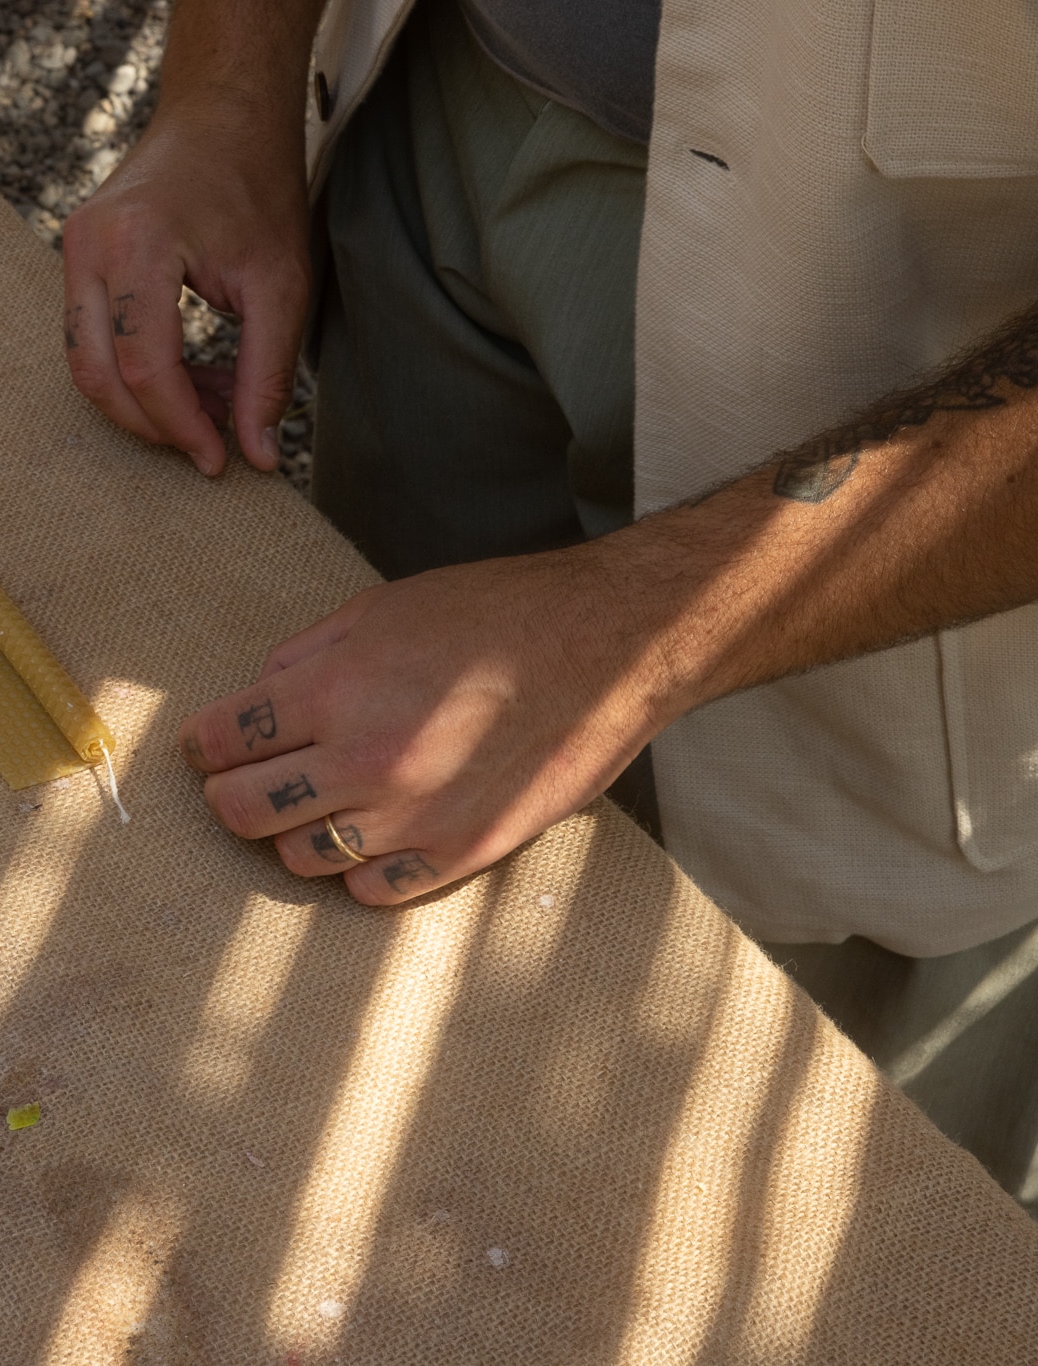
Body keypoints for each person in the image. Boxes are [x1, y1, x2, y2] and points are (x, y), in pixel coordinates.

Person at [60, 0, 1038, 1205]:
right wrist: (224, 96)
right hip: (442, 105)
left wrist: (618, 636)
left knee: (796, 1169)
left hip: (925, 304)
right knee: (369, 956)